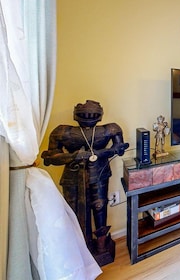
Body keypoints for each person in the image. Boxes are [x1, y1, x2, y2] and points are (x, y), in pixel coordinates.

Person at [42, 100, 129, 264]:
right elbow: (50, 157)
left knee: (99, 206)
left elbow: (120, 148)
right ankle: (80, 247)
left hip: (100, 172)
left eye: (92, 114)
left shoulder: (110, 129)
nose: (88, 116)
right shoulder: (62, 131)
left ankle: (102, 244)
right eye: (84, 113)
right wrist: (75, 156)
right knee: (75, 211)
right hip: (73, 175)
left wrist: (99, 152)